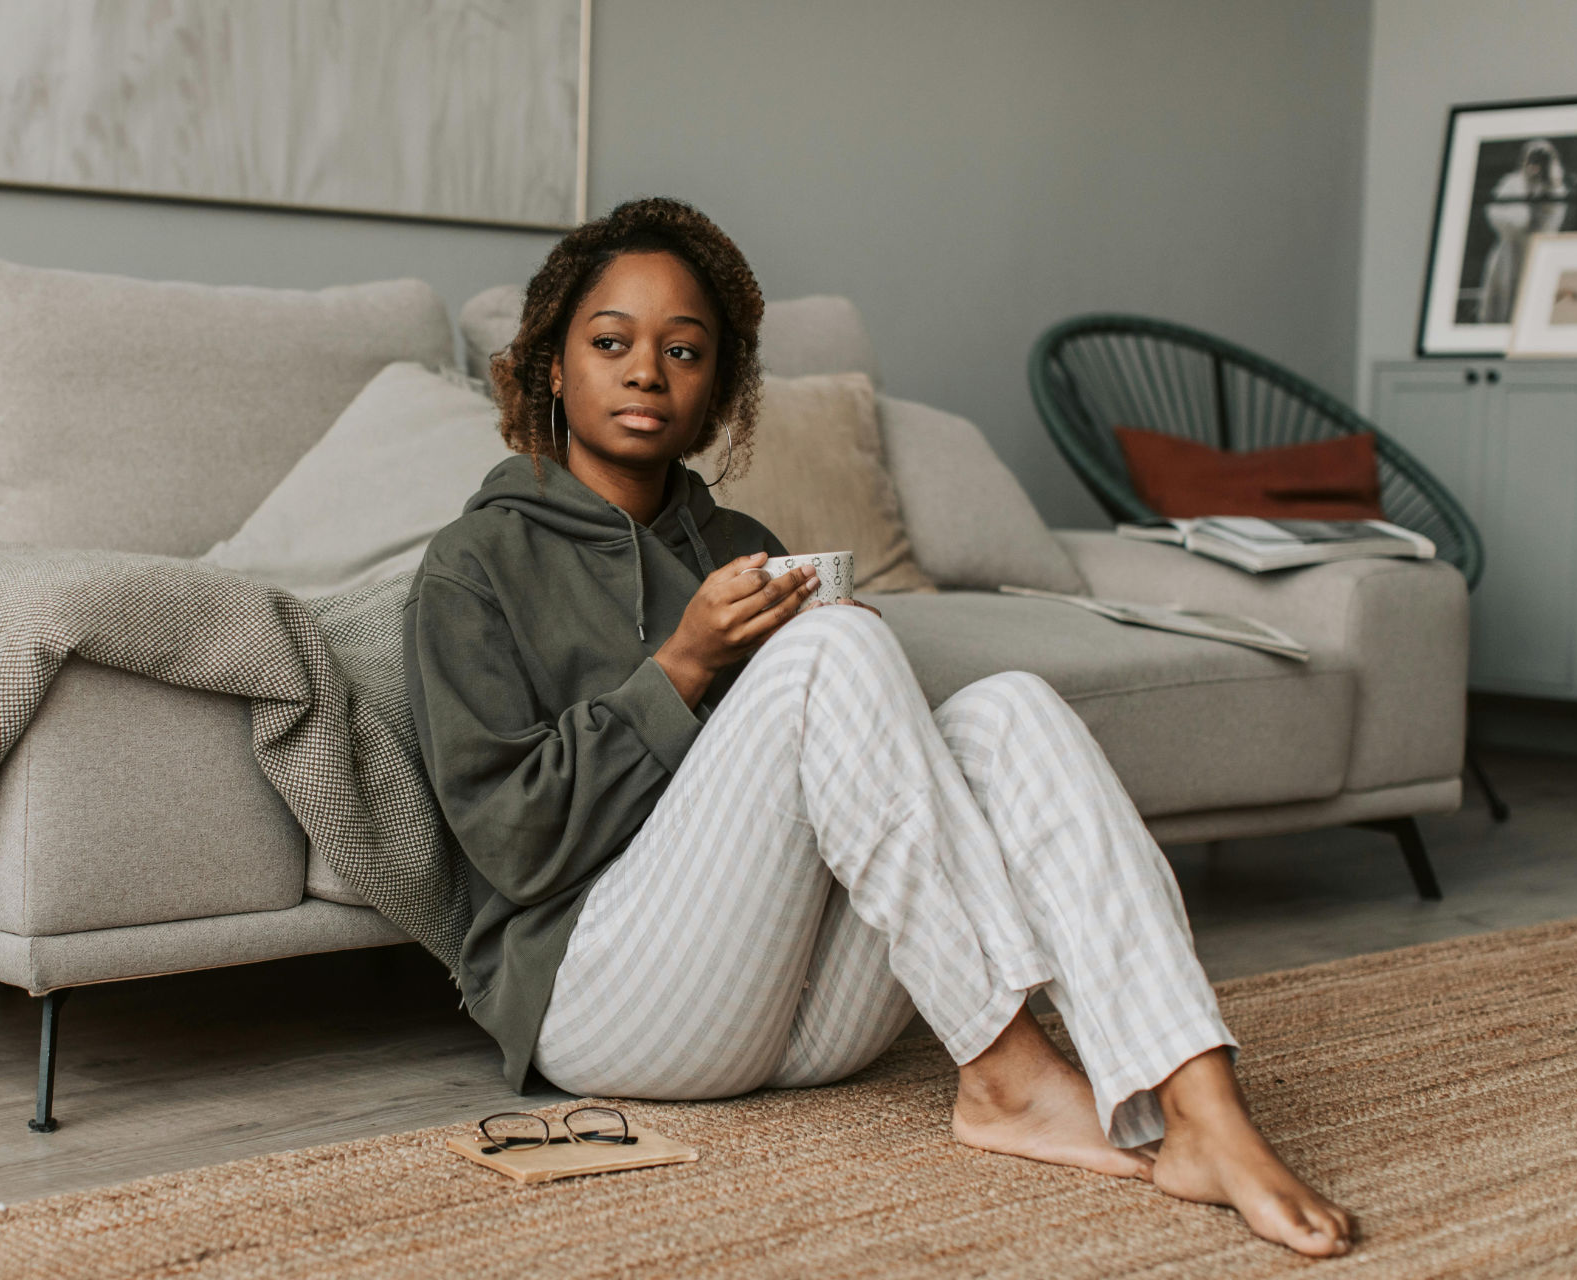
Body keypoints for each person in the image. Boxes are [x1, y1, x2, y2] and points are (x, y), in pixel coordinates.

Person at [401, 196, 1353, 1257]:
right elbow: (512, 846)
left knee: (1008, 708)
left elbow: (815, 802)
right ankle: (1005, 1073)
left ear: (719, 385)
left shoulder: (744, 547)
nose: (645, 371)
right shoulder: (473, 564)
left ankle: (1204, 1106)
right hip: (603, 1003)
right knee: (831, 654)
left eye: (684, 349)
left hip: (797, 1011)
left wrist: (851, 687)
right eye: (611, 342)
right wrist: (686, 664)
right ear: (551, 367)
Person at [1476, 138, 1571, 325]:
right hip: (1509, 249)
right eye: (1532, 159)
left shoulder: (1555, 189)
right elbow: (1496, 212)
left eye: (1541, 161)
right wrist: (1519, 220)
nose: (1535, 165)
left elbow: (1551, 220)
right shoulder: (1511, 183)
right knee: (1502, 294)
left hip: (1536, 251)